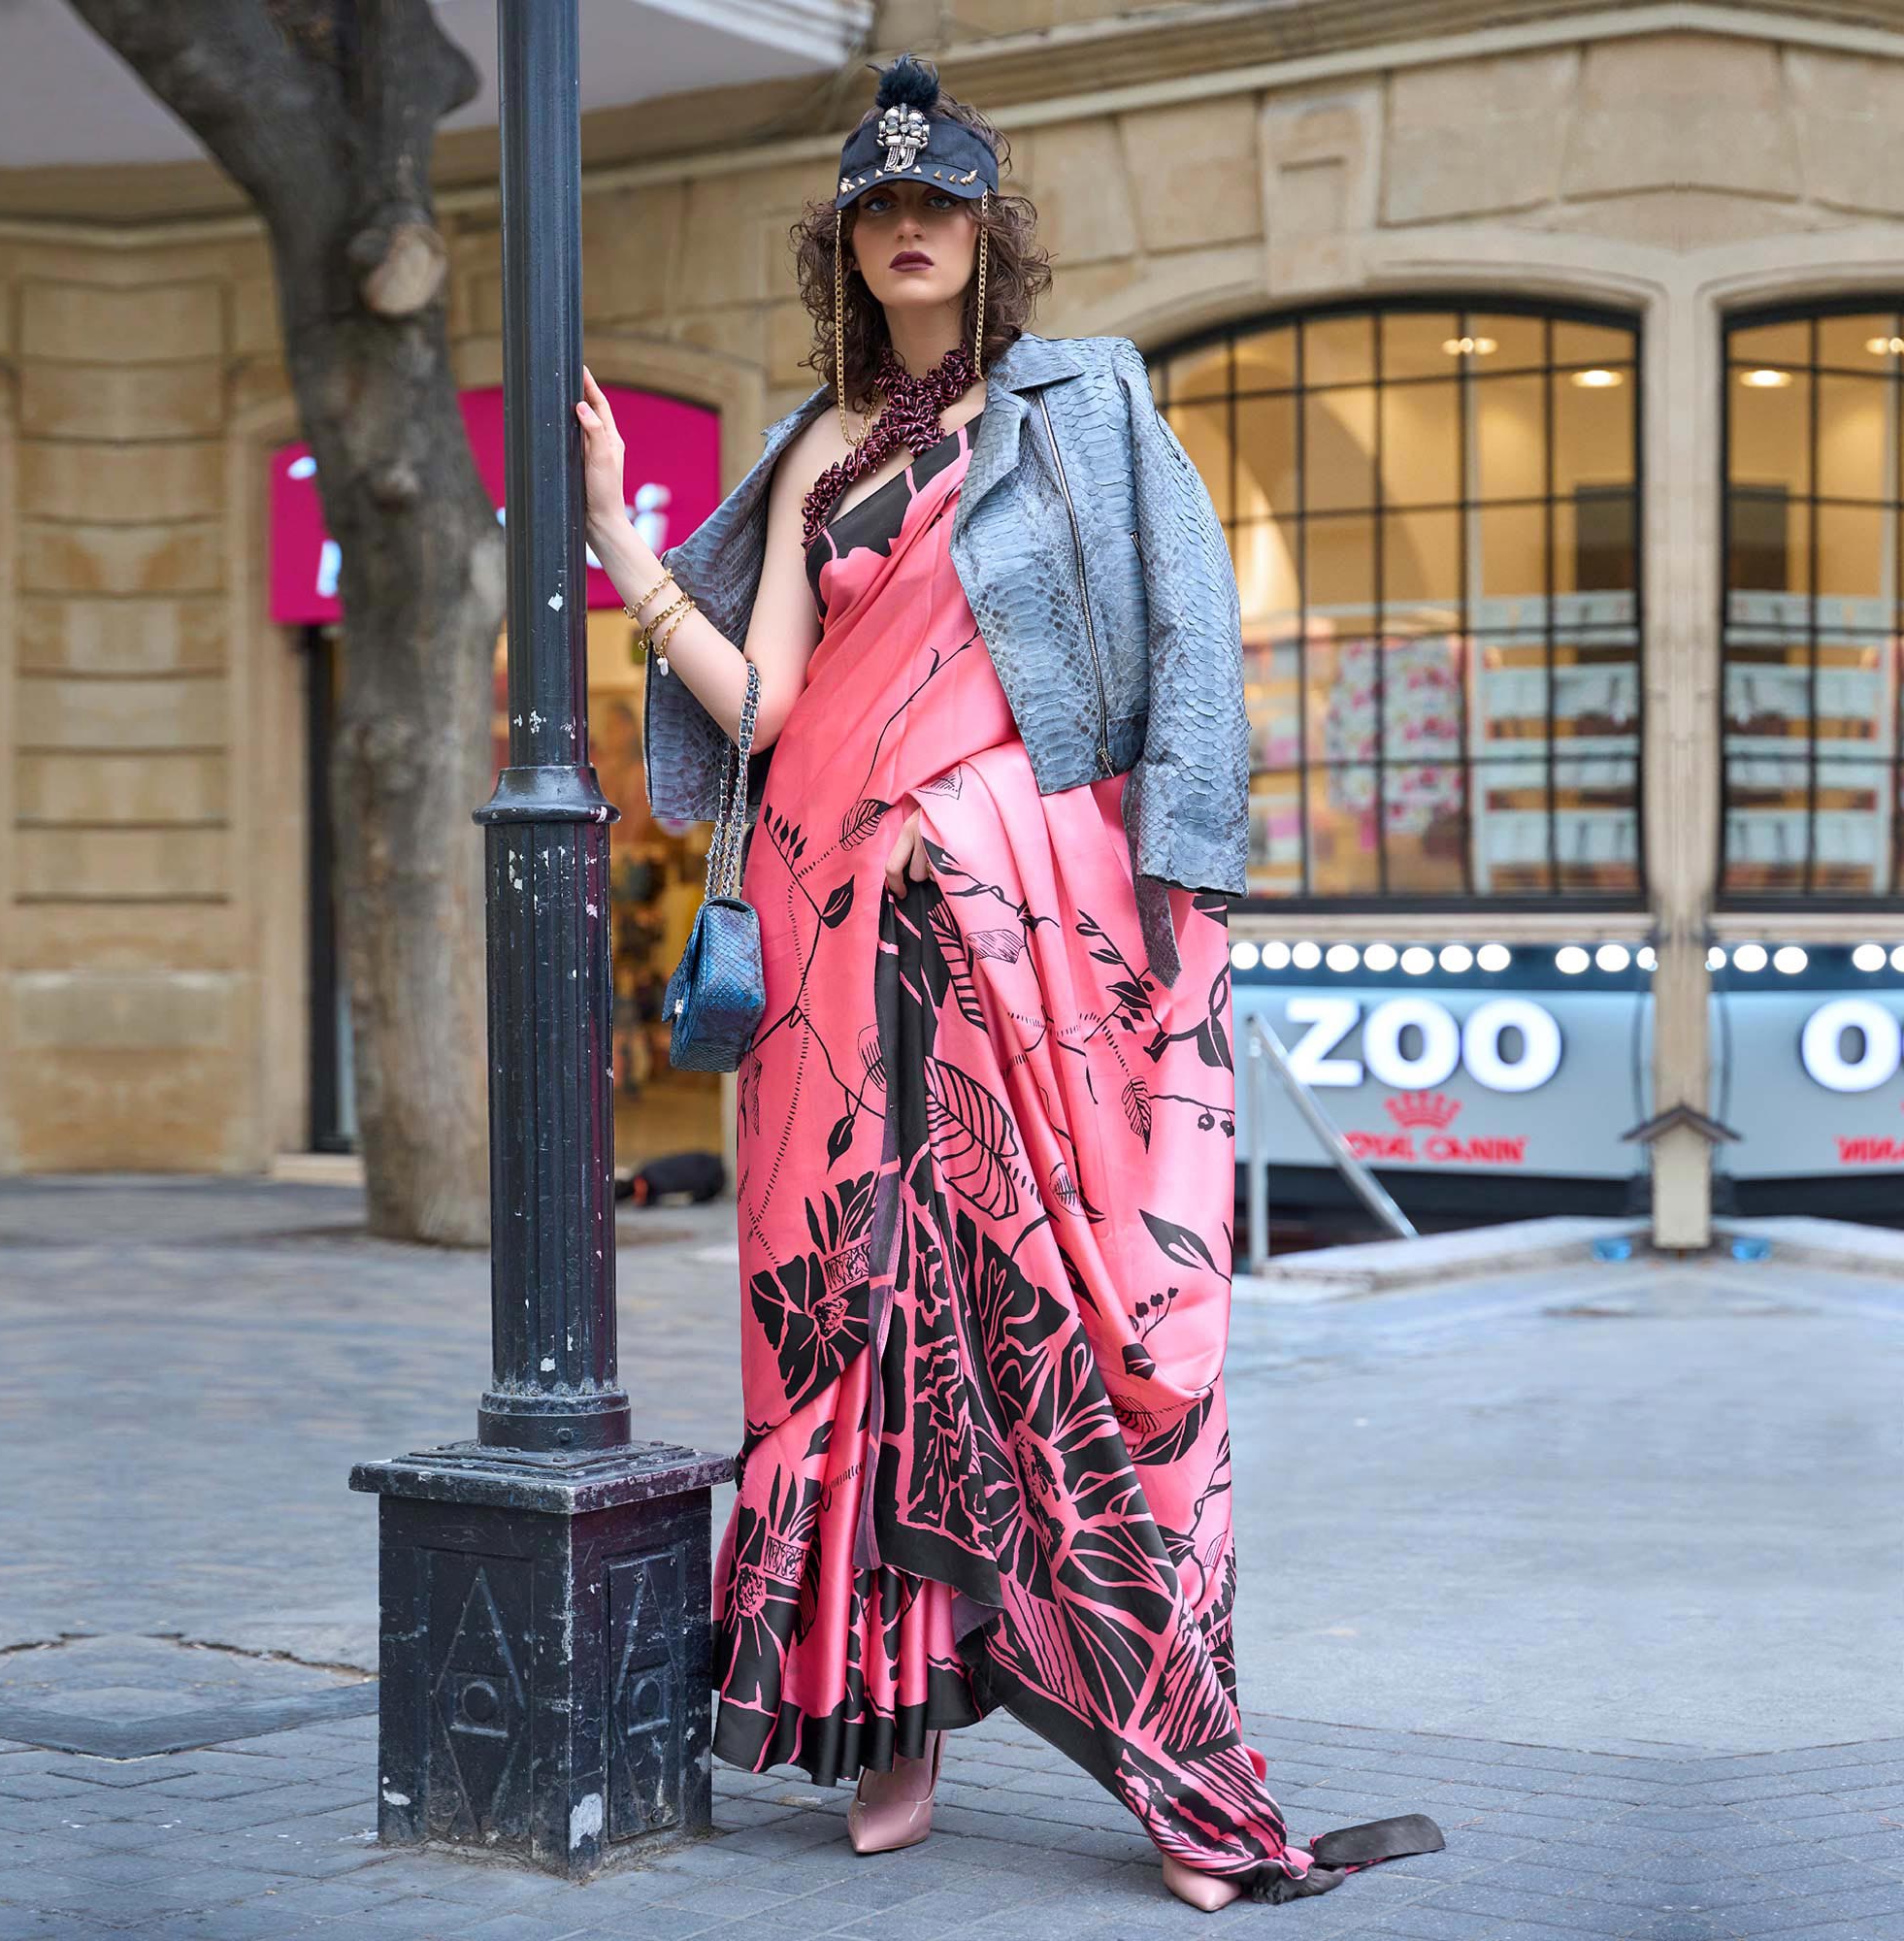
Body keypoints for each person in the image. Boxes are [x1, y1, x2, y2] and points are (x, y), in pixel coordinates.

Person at [575, 51, 1442, 1912]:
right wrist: (629, 557)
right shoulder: (817, 453)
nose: (909, 233)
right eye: (879, 210)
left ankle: (1161, 1753)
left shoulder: (1085, 413)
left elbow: (1187, 642)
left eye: (938, 209)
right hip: (828, 949)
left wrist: (1092, 846)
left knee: (1045, 1319)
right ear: (848, 242)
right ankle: (887, 1714)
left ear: (983, 237)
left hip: (1016, 938)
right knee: (856, 1325)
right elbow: (783, 713)